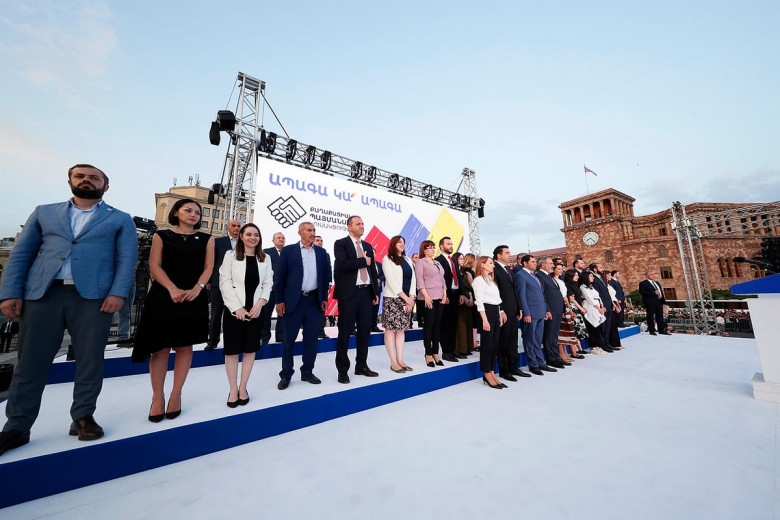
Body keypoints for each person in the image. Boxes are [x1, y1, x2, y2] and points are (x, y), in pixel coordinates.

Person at [0, 164, 137, 455]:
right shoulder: (44, 212)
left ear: (105, 186)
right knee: (30, 361)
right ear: (70, 181)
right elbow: (21, 253)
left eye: (94, 178)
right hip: (43, 294)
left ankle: (83, 416)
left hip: (93, 298)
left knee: (90, 359)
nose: (87, 180)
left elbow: (126, 259)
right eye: (80, 176)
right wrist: (11, 292)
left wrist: (118, 293)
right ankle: (17, 426)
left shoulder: (120, 219)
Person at [132, 198, 215, 422]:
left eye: (197, 212)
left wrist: (197, 288)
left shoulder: (207, 239)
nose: (194, 215)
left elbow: (209, 267)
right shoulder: (162, 235)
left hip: (193, 296)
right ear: (176, 212)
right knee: (160, 348)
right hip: (164, 296)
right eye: (188, 210)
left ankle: (176, 395)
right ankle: (157, 398)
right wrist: (171, 288)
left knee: (185, 347)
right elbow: (154, 265)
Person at [219, 223, 273, 407]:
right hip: (234, 311)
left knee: (250, 350)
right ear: (241, 236)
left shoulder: (265, 258)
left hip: (256, 311)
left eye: (256, 234)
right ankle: (233, 389)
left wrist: (260, 304)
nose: (253, 238)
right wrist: (237, 308)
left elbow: (268, 283)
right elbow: (224, 281)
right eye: (249, 234)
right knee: (232, 351)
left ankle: (243, 388)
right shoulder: (230, 255)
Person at [275, 222, 332, 390]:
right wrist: (279, 301)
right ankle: (286, 374)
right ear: (300, 232)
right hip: (293, 301)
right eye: (309, 230)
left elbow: (325, 277)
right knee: (289, 340)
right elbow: (279, 278)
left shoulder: (321, 252)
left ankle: (307, 372)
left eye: (314, 230)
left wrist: (324, 297)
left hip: (314, 301)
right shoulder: (288, 251)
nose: (312, 233)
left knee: (311, 339)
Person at [333, 216, 381, 383]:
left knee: (364, 332)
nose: (362, 226)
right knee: (345, 333)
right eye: (358, 224)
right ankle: (342, 370)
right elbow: (343, 265)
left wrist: (375, 292)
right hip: (349, 294)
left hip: (366, 293)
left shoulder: (367, 246)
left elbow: (372, 271)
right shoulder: (341, 244)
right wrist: (362, 261)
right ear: (349, 227)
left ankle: (361, 366)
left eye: (362, 223)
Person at [514, 254, 556, 376]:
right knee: (530, 340)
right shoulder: (520, 275)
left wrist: (546, 310)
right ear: (525, 263)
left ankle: (541, 362)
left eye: (535, 261)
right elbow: (521, 296)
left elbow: (541, 295)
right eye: (532, 261)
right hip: (530, 313)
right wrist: (526, 312)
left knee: (538, 339)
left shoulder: (534, 276)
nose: (535, 263)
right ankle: (533, 364)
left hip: (540, 312)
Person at [493, 246, 528, 381]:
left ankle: (514, 367)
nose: (510, 255)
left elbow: (515, 290)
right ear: (499, 255)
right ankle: (504, 370)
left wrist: (519, 307)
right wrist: (501, 309)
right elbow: (495, 292)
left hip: (513, 310)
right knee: (503, 342)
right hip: (503, 311)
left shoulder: (508, 269)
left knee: (513, 341)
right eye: (507, 253)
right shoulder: (494, 269)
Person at [381, 235, 416, 373]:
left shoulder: (407, 259)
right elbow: (390, 281)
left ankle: (400, 360)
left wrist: (411, 297)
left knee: (401, 330)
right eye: (399, 242)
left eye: (403, 242)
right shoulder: (387, 259)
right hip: (393, 299)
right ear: (393, 244)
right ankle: (393, 362)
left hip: (407, 299)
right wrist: (406, 298)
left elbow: (413, 280)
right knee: (390, 329)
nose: (402, 244)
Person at [206, 219, 241, 350]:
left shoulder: (244, 243)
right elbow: (211, 261)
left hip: (238, 285)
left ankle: (232, 341)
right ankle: (212, 341)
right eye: (234, 226)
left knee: (234, 314)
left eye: (238, 226)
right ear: (227, 228)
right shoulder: (218, 242)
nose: (236, 228)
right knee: (216, 313)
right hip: (218, 283)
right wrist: (209, 280)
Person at [472, 256, 506, 389]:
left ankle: (492, 372)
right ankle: (486, 373)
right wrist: (484, 319)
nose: (493, 265)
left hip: (495, 312)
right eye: (490, 263)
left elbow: (497, 299)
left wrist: (500, 313)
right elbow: (479, 301)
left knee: (494, 345)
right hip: (485, 312)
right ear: (482, 265)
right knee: (487, 345)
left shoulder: (491, 281)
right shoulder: (478, 280)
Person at [415, 240, 447, 367]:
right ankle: (428, 354)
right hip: (427, 297)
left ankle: (435, 352)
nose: (433, 249)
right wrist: (426, 296)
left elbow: (442, 279)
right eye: (430, 247)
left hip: (439, 297)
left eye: (434, 247)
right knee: (429, 325)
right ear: (424, 250)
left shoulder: (437, 262)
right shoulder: (420, 262)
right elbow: (419, 281)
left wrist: (445, 293)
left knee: (437, 326)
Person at [435, 236, 466, 362]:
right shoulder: (437, 260)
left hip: (455, 295)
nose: (451, 246)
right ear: (441, 246)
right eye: (448, 244)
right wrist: (444, 295)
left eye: (451, 244)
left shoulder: (453, 260)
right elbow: (438, 280)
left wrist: (462, 293)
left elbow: (458, 278)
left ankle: (453, 349)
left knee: (453, 324)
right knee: (445, 324)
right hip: (445, 295)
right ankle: (446, 352)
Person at [536, 257, 569, 369]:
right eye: (550, 263)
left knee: (554, 335)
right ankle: (551, 358)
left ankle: (556, 357)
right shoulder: (539, 276)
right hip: (551, 310)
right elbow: (542, 295)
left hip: (557, 310)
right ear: (543, 265)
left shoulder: (548, 276)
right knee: (549, 335)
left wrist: (562, 309)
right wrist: (547, 310)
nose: (553, 266)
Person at [260, 232, 286, 344]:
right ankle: (264, 337)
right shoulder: (266, 252)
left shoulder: (288, 252)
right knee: (266, 314)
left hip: (284, 289)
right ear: (273, 240)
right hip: (270, 289)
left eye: (283, 238)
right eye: (278, 238)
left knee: (282, 313)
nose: (281, 239)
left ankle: (280, 336)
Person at [578, 271, 609, 354]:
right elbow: (589, 299)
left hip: (597, 307)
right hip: (590, 307)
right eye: (591, 276)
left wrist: (602, 306)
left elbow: (598, 296)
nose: (593, 278)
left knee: (598, 327)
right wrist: (599, 308)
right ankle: (593, 347)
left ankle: (598, 345)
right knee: (592, 327)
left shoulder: (591, 286)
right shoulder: (583, 287)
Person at [453, 252, 474, 356]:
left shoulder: (465, 273)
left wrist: (470, 297)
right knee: (461, 325)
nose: (462, 260)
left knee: (468, 324)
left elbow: (470, 287)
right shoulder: (454, 272)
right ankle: (460, 349)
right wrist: (464, 297)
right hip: (459, 300)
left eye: (463, 259)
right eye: (460, 259)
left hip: (468, 300)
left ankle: (467, 348)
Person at [639, 270, 670, 335]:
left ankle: (661, 330)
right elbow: (642, 292)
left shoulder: (657, 282)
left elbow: (661, 292)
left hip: (659, 301)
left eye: (653, 274)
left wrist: (663, 301)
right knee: (650, 316)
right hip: (650, 302)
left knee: (660, 316)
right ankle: (651, 330)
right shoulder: (643, 283)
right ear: (647, 276)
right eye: (651, 274)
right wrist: (653, 292)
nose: (653, 276)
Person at [314, 235, 331, 339]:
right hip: (308, 287)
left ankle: (320, 332)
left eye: (321, 240)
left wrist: (329, 283)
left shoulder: (325, 254)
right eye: (317, 240)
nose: (320, 242)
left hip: (321, 287)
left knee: (321, 310)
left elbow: (328, 269)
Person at [461, 254, 479, 351]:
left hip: (473, 297)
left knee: (474, 321)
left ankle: (473, 342)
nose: (476, 262)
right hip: (471, 297)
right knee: (473, 321)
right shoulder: (468, 272)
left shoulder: (469, 271)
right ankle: (473, 343)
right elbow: (473, 285)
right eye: (474, 260)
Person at [604, 271, 624, 350]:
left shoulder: (609, 284)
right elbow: (609, 296)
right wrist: (615, 305)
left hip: (614, 304)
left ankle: (616, 343)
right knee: (611, 325)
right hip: (611, 306)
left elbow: (613, 296)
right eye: (608, 275)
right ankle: (613, 343)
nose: (610, 276)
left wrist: (617, 305)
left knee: (614, 325)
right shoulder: (605, 285)